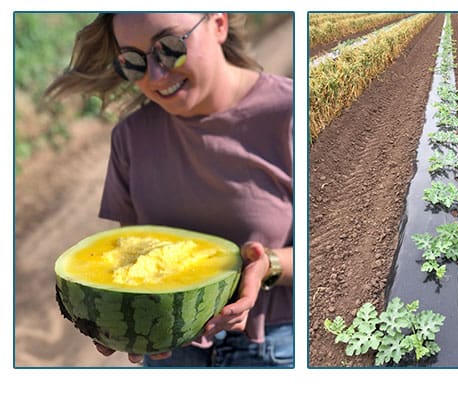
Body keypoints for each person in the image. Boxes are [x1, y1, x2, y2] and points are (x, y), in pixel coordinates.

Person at [45, 12, 293, 367]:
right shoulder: (130, 137)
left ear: (218, 24)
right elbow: (130, 252)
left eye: (170, 48)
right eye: (133, 61)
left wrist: (268, 264)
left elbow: (333, 248)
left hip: (273, 349)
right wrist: (115, 318)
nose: (156, 76)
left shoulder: (291, 112)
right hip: (170, 356)